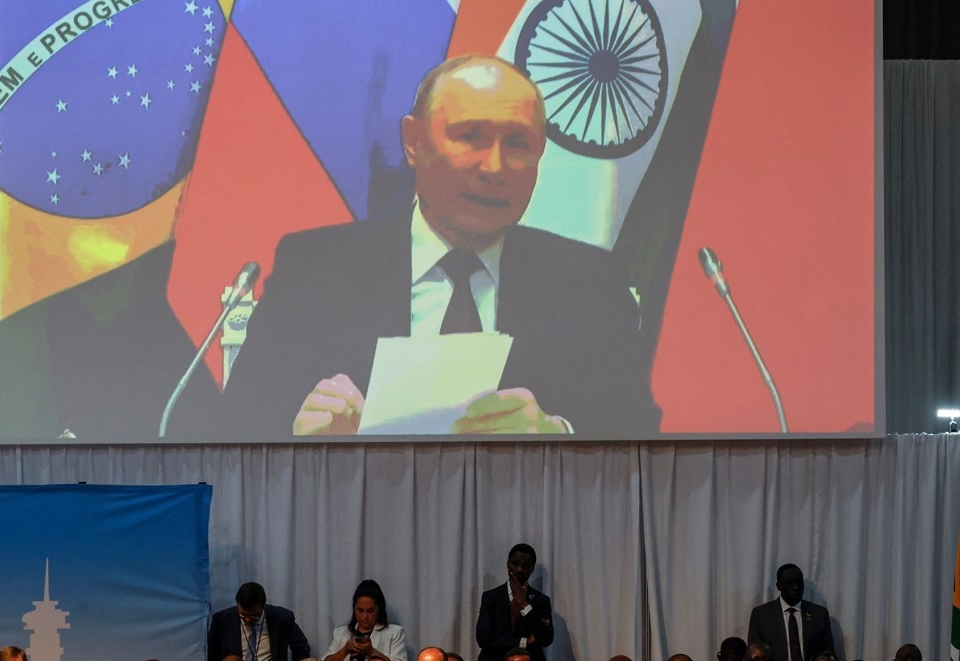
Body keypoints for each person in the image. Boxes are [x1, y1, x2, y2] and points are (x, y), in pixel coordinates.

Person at [220, 54, 660, 439]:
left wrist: (557, 436)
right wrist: (303, 434)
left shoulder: (589, 283)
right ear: (413, 142)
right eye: (471, 136)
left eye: (518, 144)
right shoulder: (317, 269)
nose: (494, 166)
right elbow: (238, 426)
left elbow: (638, 437)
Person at [474, 543, 554, 661]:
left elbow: (546, 638)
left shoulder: (541, 601)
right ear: (507, 564)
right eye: (515, 564)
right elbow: (483, 638)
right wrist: (523, 642)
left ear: (532, 568)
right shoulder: (491, 597)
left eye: (525, 566)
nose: (519, 569)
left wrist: (524, 604)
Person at [207, 582, 312, 661]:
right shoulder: (222, 621)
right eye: (243, 615)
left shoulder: (282, 618)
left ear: (263, 606)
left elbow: (302, 649)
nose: (248, 620)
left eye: (254, 616)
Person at [322, 579, 408, 661]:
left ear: (380, 609)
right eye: (360, 610)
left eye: (370, 611)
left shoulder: (394, 633)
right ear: (354, 609)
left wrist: (372, 652)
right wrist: (345, 650)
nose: (364, 616)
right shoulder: (342, 633)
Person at [747, 564, 835, 661]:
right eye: (790, 583)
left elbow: (828, 656)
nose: (796, 587)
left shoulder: (819, 614)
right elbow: (755, 656)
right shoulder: (761, 615)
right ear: (779, 586)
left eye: (799, 583)